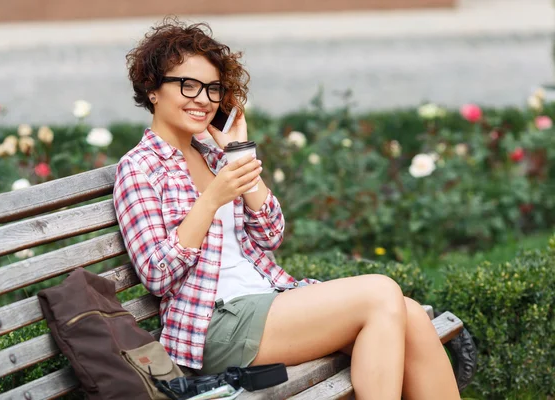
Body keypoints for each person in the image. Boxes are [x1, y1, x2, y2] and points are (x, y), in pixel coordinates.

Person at [113, 18, 460, 400]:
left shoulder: (213, 156)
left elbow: (270, 234)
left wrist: (238, 155)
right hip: (212, 324)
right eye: (188, 85)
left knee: (409, 314)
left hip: (269, 299)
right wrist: (211, 199)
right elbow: (157, 274)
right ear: (152, 89)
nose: (203, 99)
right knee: (381, 294)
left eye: (212, 89)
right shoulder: (140, 167)